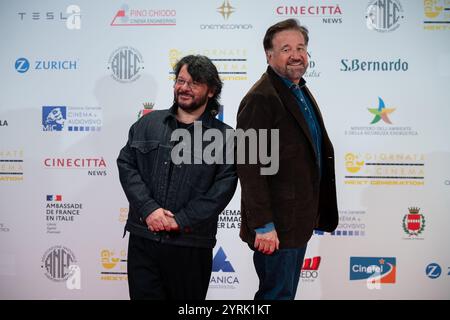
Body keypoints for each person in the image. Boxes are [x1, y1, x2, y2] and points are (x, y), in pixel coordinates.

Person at [117, 55, 238, 300]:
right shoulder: (147, 123)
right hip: (144, 239)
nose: (184, 88)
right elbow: (127, 164)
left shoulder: (226, 138)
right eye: (180, 80)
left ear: (211, 90)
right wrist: (149, 210)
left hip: (191, 245)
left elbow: (222, 190)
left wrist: (180, 220)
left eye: (194, 83)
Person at [236, 19, 339, 300]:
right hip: (276, 227)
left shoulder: (299, 89)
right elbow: (250, 167)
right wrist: (264, 226)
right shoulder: (261, 98)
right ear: (269, 56)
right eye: (286, 49)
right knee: (276, 296)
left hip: (296, 221)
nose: (296, 55)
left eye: (301, 48)